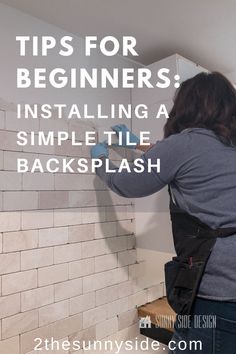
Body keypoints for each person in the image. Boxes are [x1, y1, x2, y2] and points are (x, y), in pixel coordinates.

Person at [90, 72, 236, 354]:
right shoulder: (227, 145)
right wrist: (137, 144)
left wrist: (100, 158)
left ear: (187, 106)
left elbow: (125, 182)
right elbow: (190, 160)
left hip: (217, 296)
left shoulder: (185, 143)